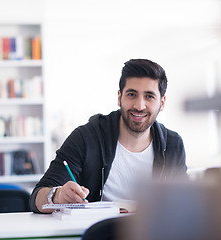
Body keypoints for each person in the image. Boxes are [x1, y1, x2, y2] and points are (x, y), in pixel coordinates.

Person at [30, 59, 187, 213]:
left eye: (149, 96)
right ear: (119, 97)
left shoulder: (173, 144)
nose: (139, 106)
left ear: (162, 102)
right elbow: (36, 198)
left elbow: (184, 204)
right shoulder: (85, 137)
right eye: (132, 94)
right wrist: (57, 196)